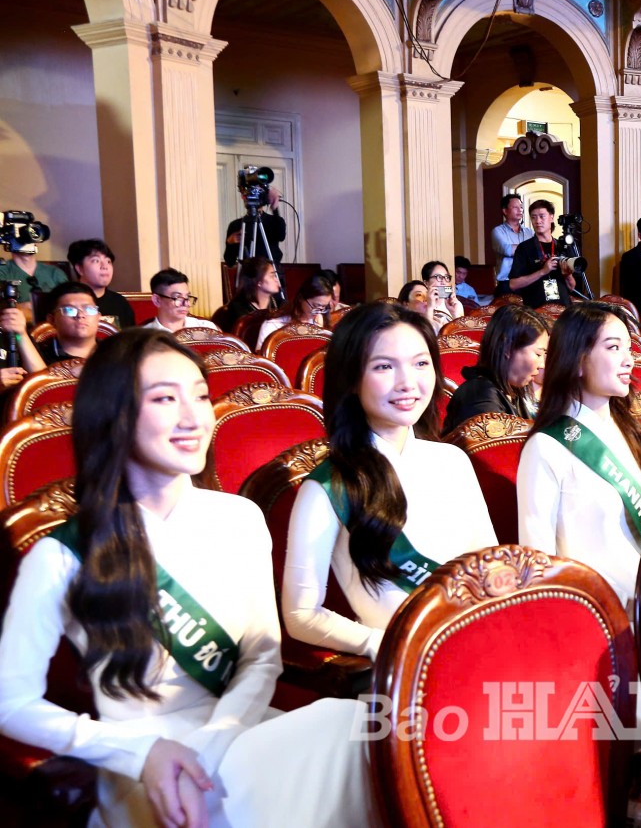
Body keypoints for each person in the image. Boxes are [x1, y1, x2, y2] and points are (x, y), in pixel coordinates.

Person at [0, 328, 376, 828]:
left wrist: (211, 745)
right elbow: (10, 702)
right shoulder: (61, 554)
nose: (193, 417)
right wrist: (140, 753)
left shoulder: (240, 518)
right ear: (113, 415)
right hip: (139, 762)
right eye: (165, 398)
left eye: (200, 396)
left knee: (355, 728)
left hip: (241, 731)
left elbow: (261, 658)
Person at [284, 302, 496, 660]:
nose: (408, 383)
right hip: (403, 666)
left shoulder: (453, 461)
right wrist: (386, 645)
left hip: (478, 645)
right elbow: (301, 615)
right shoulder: (329, 487)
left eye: (420, 363)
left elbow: (489, 564)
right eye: (384, 366)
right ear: (351, 379)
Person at [517, 303, 641, 608]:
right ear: (578, 360)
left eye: (629, 348)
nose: (629, 360)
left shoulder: (628, 429)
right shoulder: (546, 447)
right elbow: (537, 563)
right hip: (595, 613)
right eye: (613, 347)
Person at [444, 304, 550, 429]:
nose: (542, 365)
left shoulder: (513, 391)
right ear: (508, 348)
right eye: (538, 354)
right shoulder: (480, 398)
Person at [508, 199, 576, 309]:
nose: (538, 221)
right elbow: (513, 284)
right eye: (533, 217)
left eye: (542, 216)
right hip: (536, 310)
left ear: (551, 217)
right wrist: (543, 271)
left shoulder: (562, 246)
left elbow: (572, 287)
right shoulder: (524, 248)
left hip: (563, 309)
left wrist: (567, 275)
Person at [68, 238, 135, 328]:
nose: (105, 266)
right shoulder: (66, 302)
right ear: (80, 269)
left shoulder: (120, 302)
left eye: (108, 261)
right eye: (96, 261)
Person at [255, 275, 332, 350]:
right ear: (301, 298)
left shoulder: (318, 320)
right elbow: (262, 357)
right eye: (315, 306)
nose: (318, 312)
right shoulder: (273, 325)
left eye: (323, 307)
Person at [0, 227, 67, 315]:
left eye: (32, 235)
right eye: (21, 236)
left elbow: (68, 305)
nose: (27, 241)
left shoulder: (55, 273)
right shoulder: (3, 270)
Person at [35, 282, 103, 366]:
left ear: (98, 317)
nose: (80, 315)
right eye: (69, 310)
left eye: (89, 309)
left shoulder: (113, 351)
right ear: (52, 320)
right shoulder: (36, 355)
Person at [223, 185, 286, 266]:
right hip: (247, 272)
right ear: (243, 196)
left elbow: (281, 236)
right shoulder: (235, 225)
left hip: (271, 270)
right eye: (247, 193)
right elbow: (230, 262)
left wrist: (275, 208)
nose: (251, 196)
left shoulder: (274, 221)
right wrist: (230, 242)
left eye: (257, 193)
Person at [144, 269, 220, 333]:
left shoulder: (207, 329)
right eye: (177, 297)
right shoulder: (145, 336)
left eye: (187, 297)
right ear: (157, 300)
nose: (186, 303)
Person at [490, 193, 533, 297]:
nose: (520, 210)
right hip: (506, 283)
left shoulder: (530, 232)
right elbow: (508, 250)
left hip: (528, 281)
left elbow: (536, 250)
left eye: (521, 207)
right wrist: (529, 248)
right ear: (505, 211)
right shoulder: (498, 231)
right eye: (515, 207)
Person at [223, 258, 280, 332]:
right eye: (272, 276)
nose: (276, 280)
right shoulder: (237, 308)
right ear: (258, 281)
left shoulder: (279, 304)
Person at [419, 260, 466, 333]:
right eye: (438, 277)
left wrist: (454, 313)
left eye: (446, 277)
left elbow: (462, 335)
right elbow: (425, 334)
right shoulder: (420, 305)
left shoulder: (455, 304)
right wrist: (430, 307)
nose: (444, 282)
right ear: (426, 283)